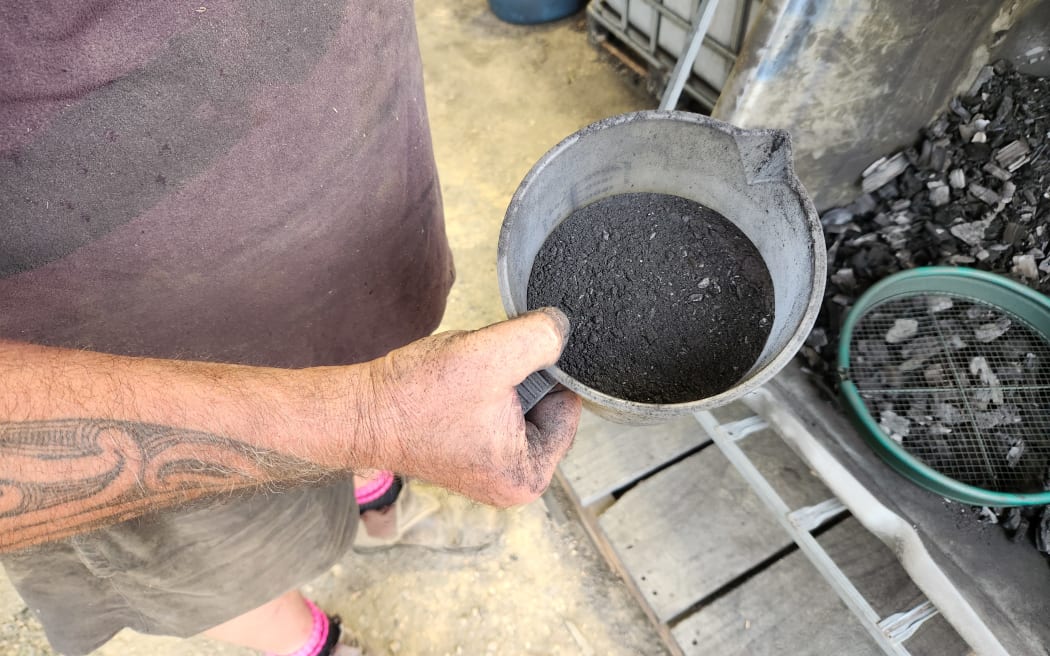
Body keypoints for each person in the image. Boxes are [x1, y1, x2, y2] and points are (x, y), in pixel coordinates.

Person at [0, 2, 582, 655]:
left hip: (350, 159)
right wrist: (373, 416)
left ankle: (377, 501)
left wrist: (382, 418)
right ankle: (311, 644)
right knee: (215, 558)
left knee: (375, 355)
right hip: (107, 346)